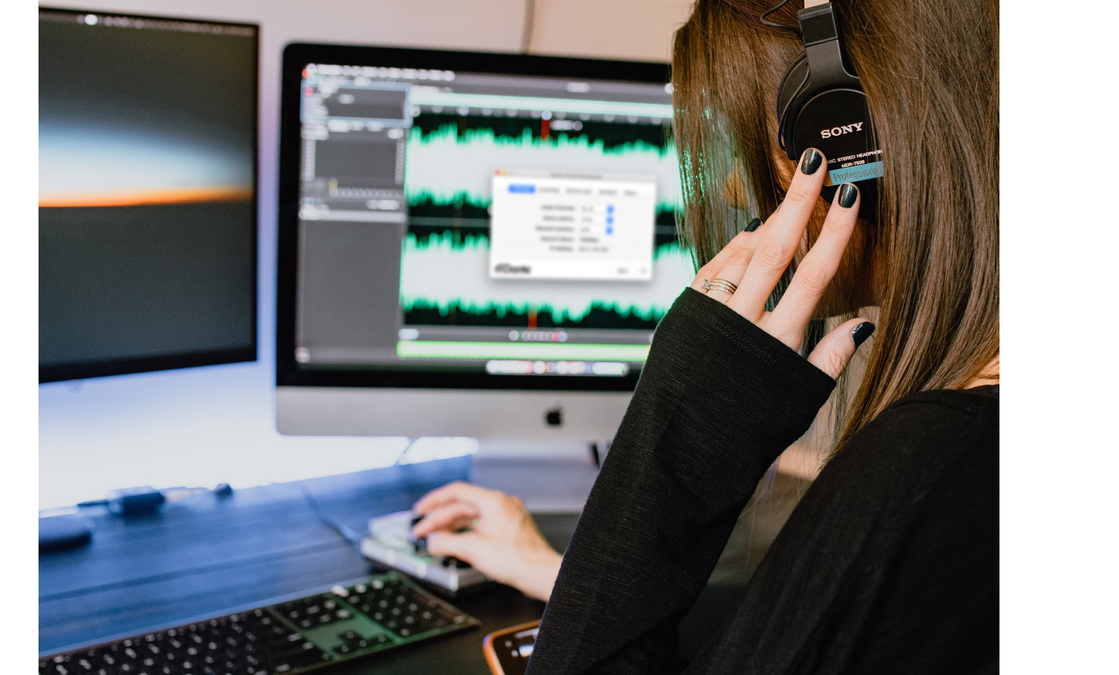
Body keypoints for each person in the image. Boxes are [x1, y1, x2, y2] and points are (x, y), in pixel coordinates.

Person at [417, 0, 998, 671]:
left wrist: (681, 429)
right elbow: (798, 636)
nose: (727, 185)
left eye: (754, 139)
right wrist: (571, 577)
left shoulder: (926, 470)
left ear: (846, 136)